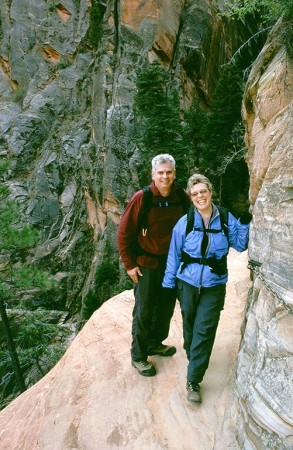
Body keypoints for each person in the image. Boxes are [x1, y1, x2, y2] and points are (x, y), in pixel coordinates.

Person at [163, 173, 251, 402]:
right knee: (189, 323)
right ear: (191, 198)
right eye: (195, 194)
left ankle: (193, 380)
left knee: (205, 328)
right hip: (187, 282)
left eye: (203, 191)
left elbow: (240, 245)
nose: (200, 196)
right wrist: (168, 283)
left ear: (210, 192)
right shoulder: (185, 223)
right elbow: (173, 254)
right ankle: (194, 354)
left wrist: (243, 223)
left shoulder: (224, 218)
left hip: (214, 283)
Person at [117, 154, 190, 377]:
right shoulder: (143, 198)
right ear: (153, 175)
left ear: (174, 173)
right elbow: (123, 232)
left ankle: (155, 343)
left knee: (166, 307)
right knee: (144, 310)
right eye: (160, 173)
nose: (165, 176)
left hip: (171, 263)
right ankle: (138, 356)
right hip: (146, 263)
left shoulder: (181, 197)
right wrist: (129, 265)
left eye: (168, 172)